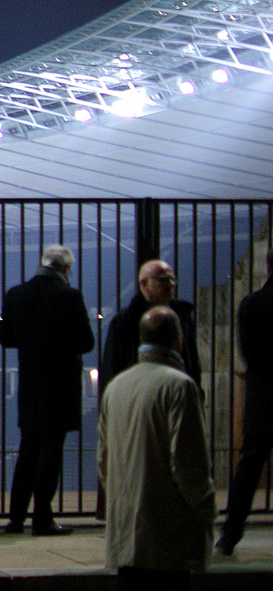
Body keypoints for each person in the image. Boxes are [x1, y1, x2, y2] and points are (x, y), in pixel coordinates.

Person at [99, 306, 215, 591]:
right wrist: (206, 508)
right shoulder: (180, 387)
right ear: (178, 339)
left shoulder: (116, 387)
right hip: (167, 534)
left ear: (141, 341)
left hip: (125, 533)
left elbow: (104, 461)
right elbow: (188, 464)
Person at [0, 244, 95, 535]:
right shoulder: (69, 296)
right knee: (51, 450)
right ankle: (43, 518)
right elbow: (86, 342)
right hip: (61, 383)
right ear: (67, 268)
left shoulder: (15, 294)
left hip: (29, 382)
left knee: (28, 449)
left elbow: (5, 337)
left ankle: (15, 519)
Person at [218, 246, 273, 556]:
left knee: (249, 468)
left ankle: (229, 535)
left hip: (262, 396)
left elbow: (246, 353)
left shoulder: (251, 304)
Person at [101, 259, 201, 394]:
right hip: (140, 392)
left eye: (173, 280)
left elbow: (193, 361)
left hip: (177, 389)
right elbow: (112, 366)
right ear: (144, 284)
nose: (171, 285)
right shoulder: (124, 322)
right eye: (164, 280)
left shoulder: (184, 317)